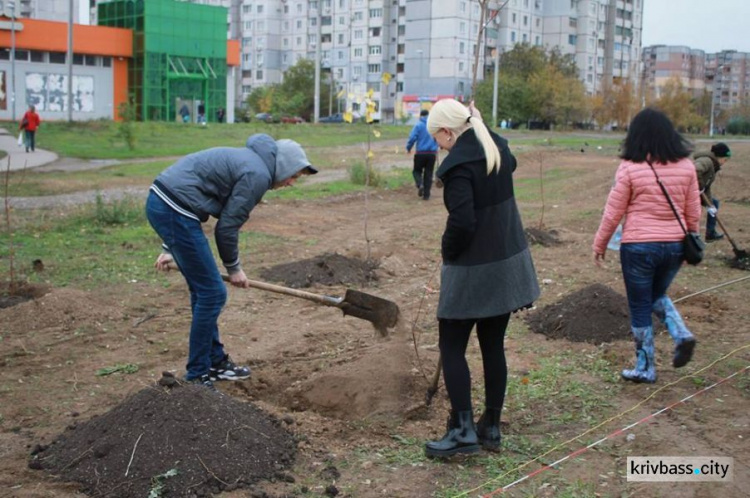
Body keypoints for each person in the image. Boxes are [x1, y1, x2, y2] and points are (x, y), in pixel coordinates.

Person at [146, 134, 318, 389]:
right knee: (213, 294)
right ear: (282, 166)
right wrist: (234, 269)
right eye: (293, 175)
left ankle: (214, 362)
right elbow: (226, 228)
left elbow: (190, 189)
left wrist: (171, 245)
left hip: (169, 206)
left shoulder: (252, 163)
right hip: (174, 209)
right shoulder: (257, 174)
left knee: (205, 291)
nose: (291, 182)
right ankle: (197, 376)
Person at [423, 99, 540, 457]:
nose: (438, 147)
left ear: (447, 132)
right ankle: (490, 426)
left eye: (438, 139)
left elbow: (462, 223)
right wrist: (481, 124)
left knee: (452, 345)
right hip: (505, 263)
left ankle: (463, 432)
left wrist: (447, 251)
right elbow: (509, 158)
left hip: (473, 268)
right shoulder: (497, 148)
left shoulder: (459, 166)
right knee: (492, 345)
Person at [593, 108, 701, 384]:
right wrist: (692, 239)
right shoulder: (687, 166)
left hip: (639, 247)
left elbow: (613, 212)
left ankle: (645, 366)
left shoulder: (630, 168)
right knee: (656, 294)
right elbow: (693, 209)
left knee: (641, 304)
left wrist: (600, 243)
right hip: (675, 246)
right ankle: (681, 333)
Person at [693, 142, 731, 241]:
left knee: (714, 203)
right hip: (689, 192)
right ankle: (692, 236)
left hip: (697, 191)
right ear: (719, 156)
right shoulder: (707, 161)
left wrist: (709, 205)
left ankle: (710, 234)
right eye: (725, 159)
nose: (724, 162)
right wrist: (700, 186)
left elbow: (706, 187)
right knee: (695, 212)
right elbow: (695, 170)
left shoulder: (713, 165)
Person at [406, 109, 439, 200]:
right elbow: (438, 137)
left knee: (416, 171)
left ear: (421, 116)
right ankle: (426, 195)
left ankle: (420, 184)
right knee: (428, 174)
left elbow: (412, 138)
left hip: (420, 153)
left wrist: (408, 148)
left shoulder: (418, 125)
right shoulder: (433, 126)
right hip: (432, 154)